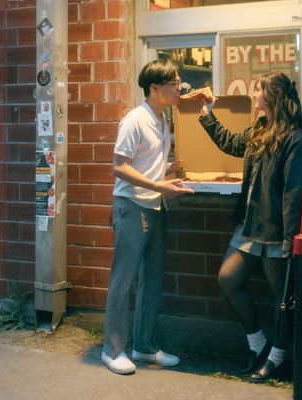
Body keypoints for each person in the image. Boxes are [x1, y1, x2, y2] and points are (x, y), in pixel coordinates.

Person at [187, 72, 302, 382]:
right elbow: (231, 143)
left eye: (258, 90)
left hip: (275, 230)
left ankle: (279, 356)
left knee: (280, 298)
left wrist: (290, 242)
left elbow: (294, 194)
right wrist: (207, 114)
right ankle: (258, 344)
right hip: (250, 224)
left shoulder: (295, 139)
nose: (253, 94)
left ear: (273, 96)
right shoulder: (261, 129)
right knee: (228, 279)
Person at [102, 59, 193, 375]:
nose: (178, 86)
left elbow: (144, 165)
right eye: (174, 81)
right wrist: (158, 183)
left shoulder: (162, 118)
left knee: (152, 281)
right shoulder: (135, 120)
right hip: (131, 207)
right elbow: (119, 166)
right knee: (123, 280)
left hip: (155, 207)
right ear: (155, 88)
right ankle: (112, 350)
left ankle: (143, 347)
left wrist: (170, 172)